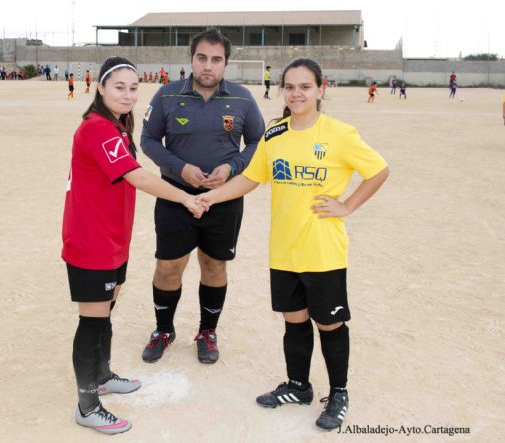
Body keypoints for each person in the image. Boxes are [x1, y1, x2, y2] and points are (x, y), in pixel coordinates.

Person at [196, 58, 389, 432]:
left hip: (323, 251)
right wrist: (212, 197)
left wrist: (347, 205)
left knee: (330, 323)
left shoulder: (339, 134)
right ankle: (299, 386)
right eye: (290, 86)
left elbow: (378, 170)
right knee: (294, 320)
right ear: (283, 90)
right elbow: (251, 178)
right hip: (284, 250)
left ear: (321, 89)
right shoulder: (275, 134)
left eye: (305, 86)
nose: (297, 93)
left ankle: (339, 393)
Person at [62, 56, 204, 435]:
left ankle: (103, 375)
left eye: (133, 88)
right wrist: (186, 198)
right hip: (91, 241)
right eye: (119, 87)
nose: (127, 95)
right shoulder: (96, 128)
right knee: (91, 322)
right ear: (100, 88)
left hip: (112, 239)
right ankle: (88, 404)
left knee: (106, 311)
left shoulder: (117, 124)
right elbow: (136, 176)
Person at [140, 28, 265, 365]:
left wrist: (233, 167)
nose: (208, 66)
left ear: (226, 63)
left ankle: (207, 331)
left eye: (216, 59)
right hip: (175, 196)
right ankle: (163, 330)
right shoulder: (166, 95)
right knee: (168, 267)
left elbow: (258, 142)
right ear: (191, 59)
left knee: (214, 264)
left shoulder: (242, 98)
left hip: (223, 199)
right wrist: (180, 169)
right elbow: (148, 140)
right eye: (202, 58)